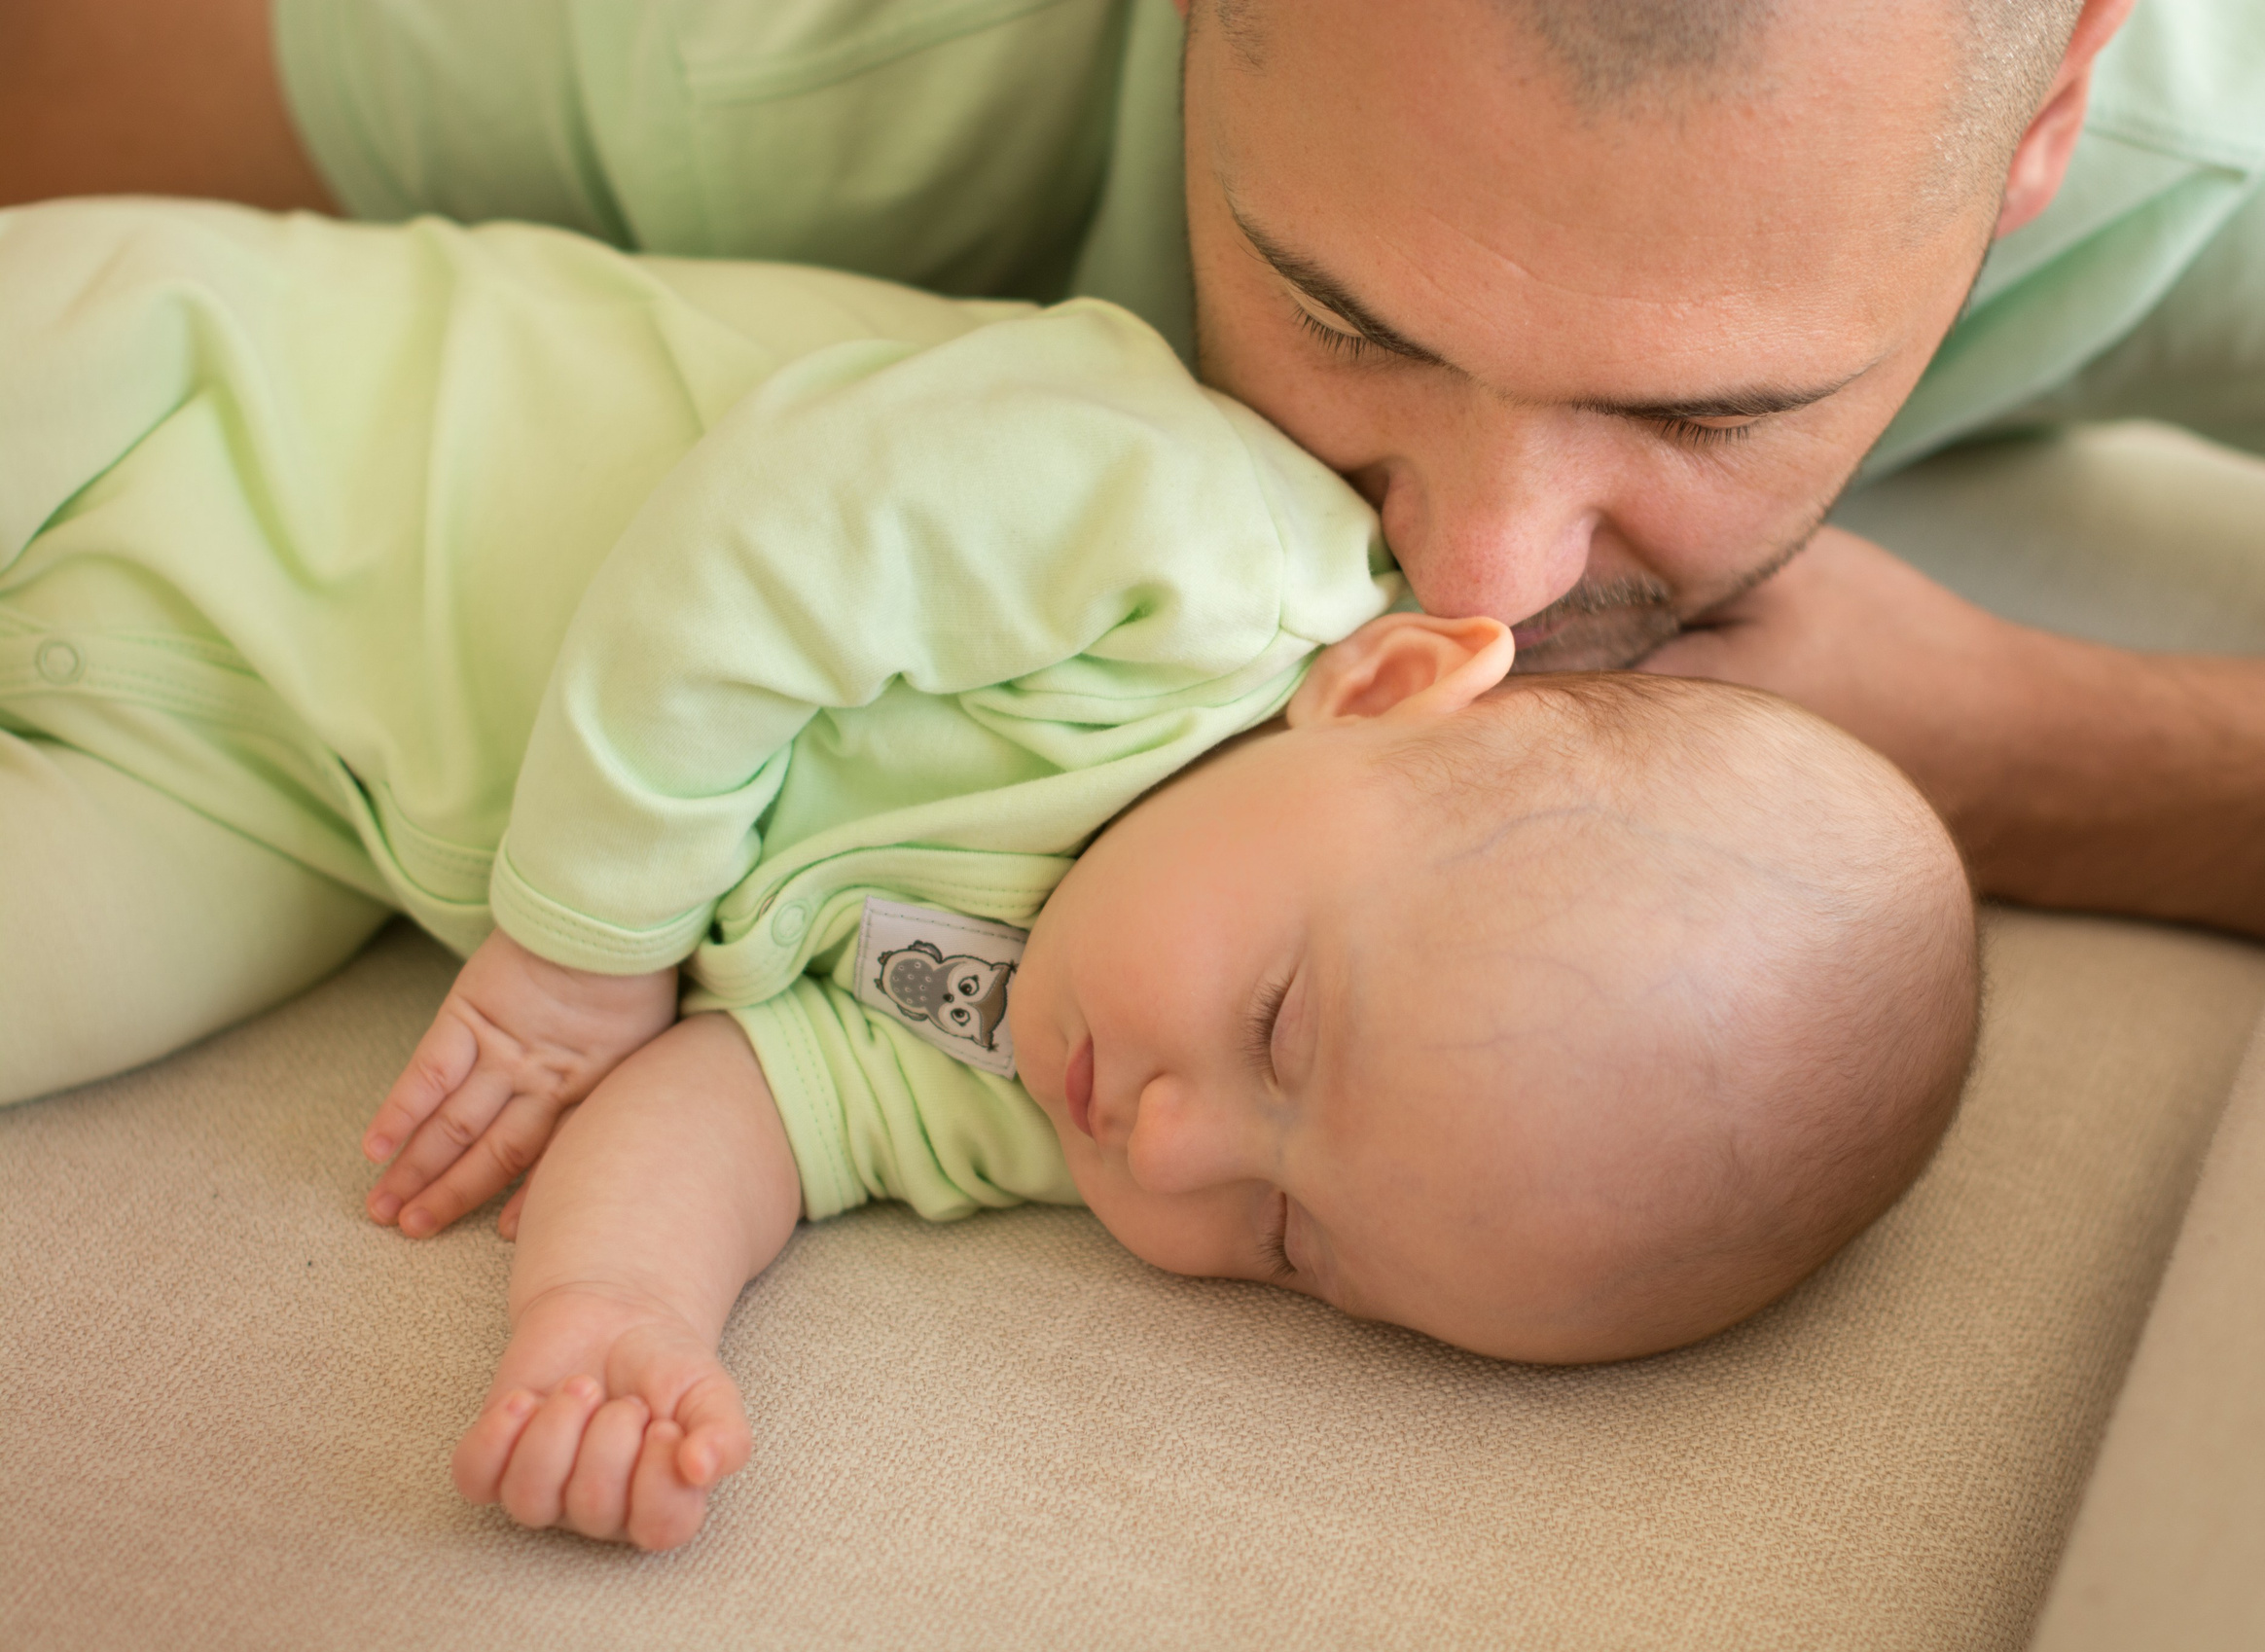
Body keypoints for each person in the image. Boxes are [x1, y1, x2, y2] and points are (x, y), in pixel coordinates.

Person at [0, 199, 1979, 1547]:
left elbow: (762, 1099)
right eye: (1281, 1024)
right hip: (221, 397)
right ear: (1379, 693)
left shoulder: (1060, 1083)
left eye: (1289, 1241)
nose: (1175, 1145)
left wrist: (620, 1309)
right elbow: (753, 553)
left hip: (270, 778)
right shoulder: (1189, 552)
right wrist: (582, 955)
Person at [5, 0, 2265, 942]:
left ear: (2055, 106)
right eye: (1345, 314)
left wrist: (2028, 753)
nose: (1478, 566)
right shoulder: (752, 36)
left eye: (1706, 415)